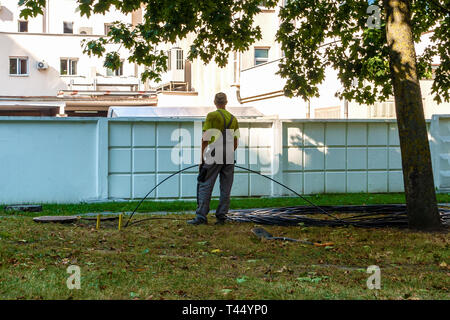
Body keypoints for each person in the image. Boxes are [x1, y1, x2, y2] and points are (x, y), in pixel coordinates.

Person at [187, 92, 239, 225]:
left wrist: (202, 159)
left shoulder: (212, 116)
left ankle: (201, 217)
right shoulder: (234, 119)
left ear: (215, 102)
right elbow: (235, 143)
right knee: (226, 187)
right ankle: (222, 217)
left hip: (214, 153)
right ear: (226, 102)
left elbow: (205, 139)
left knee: (205, 184)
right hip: (229, 154)